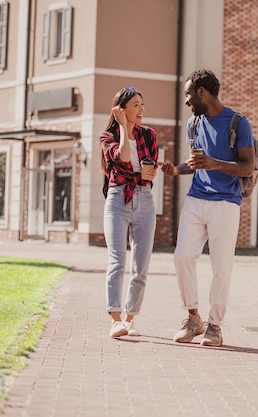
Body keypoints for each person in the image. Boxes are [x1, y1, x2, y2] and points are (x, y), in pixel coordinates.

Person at [161, 68, 254, 347]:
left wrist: (215, 164)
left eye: (189, 95)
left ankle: (215, 326)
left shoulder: (238, 122)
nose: (187, 101)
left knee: (220, 267)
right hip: (196, 198)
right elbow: (195, 164)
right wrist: (176, 170)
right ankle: (193, 318)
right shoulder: (194, 124)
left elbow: (247, 166)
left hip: (225, 202)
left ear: (202, 92)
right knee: (182, 257)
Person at [100, 87, 159, 338]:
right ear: (121, 110)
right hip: (118, 200)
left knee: (140, 265)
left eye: (142, 104)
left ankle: (130, 318)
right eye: (135, 105)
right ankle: (115, 320)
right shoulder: (107, 136)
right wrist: (124, 128)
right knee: (117, 261)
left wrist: (150, 173)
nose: (141, 110)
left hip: (144, 199)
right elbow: (123, 157)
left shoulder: (150, 135)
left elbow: (150, 170)